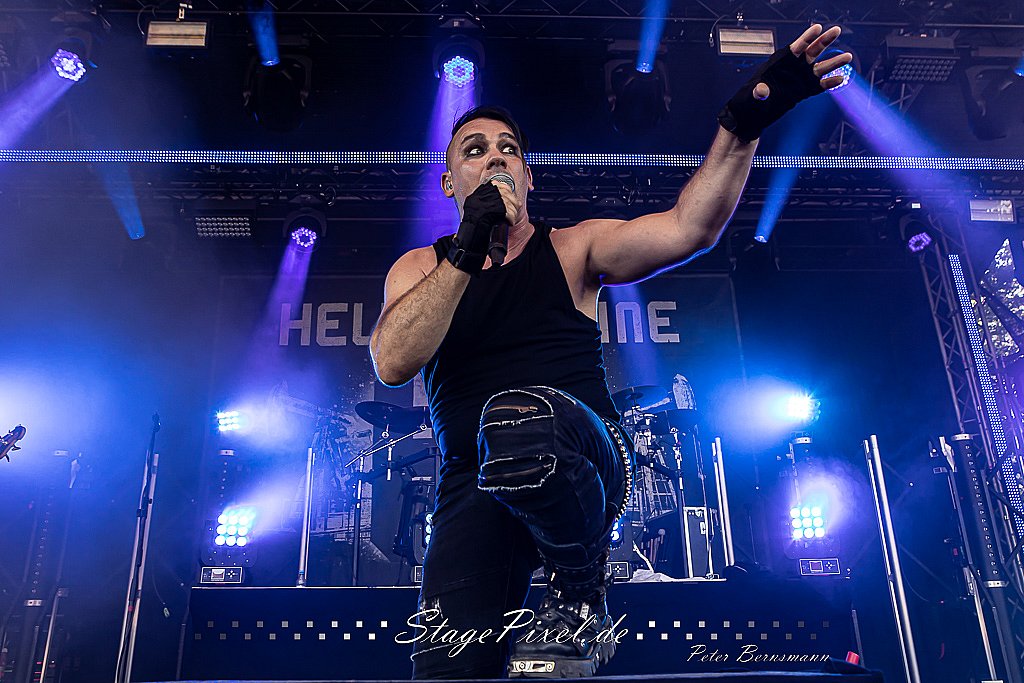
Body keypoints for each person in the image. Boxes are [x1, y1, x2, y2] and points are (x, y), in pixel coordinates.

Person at [370, 24, 851, 679]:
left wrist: (741, 126)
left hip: (586, 459)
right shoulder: (420, 267)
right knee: (447, 666)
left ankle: (579, 591)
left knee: (516, 418)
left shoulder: (574, 247)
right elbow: (393, 362)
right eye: (475, 151)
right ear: (450, 182)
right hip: (471, 481)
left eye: (509, 150)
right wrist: (469, 246)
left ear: (528, 177)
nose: (495, 159)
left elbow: (690, 228)